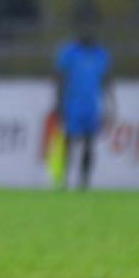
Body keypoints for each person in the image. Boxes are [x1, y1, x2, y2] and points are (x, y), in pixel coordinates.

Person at [53, 15, 113, 191]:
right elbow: (59, 78)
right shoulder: (69, 53)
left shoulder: (100, 54)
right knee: (69, 142)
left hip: (91, 105)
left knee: (89, 143)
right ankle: (64, 179)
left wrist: (110, 105)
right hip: (72, 104)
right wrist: (58, 103)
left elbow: (106, 81)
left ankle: (83, 182)